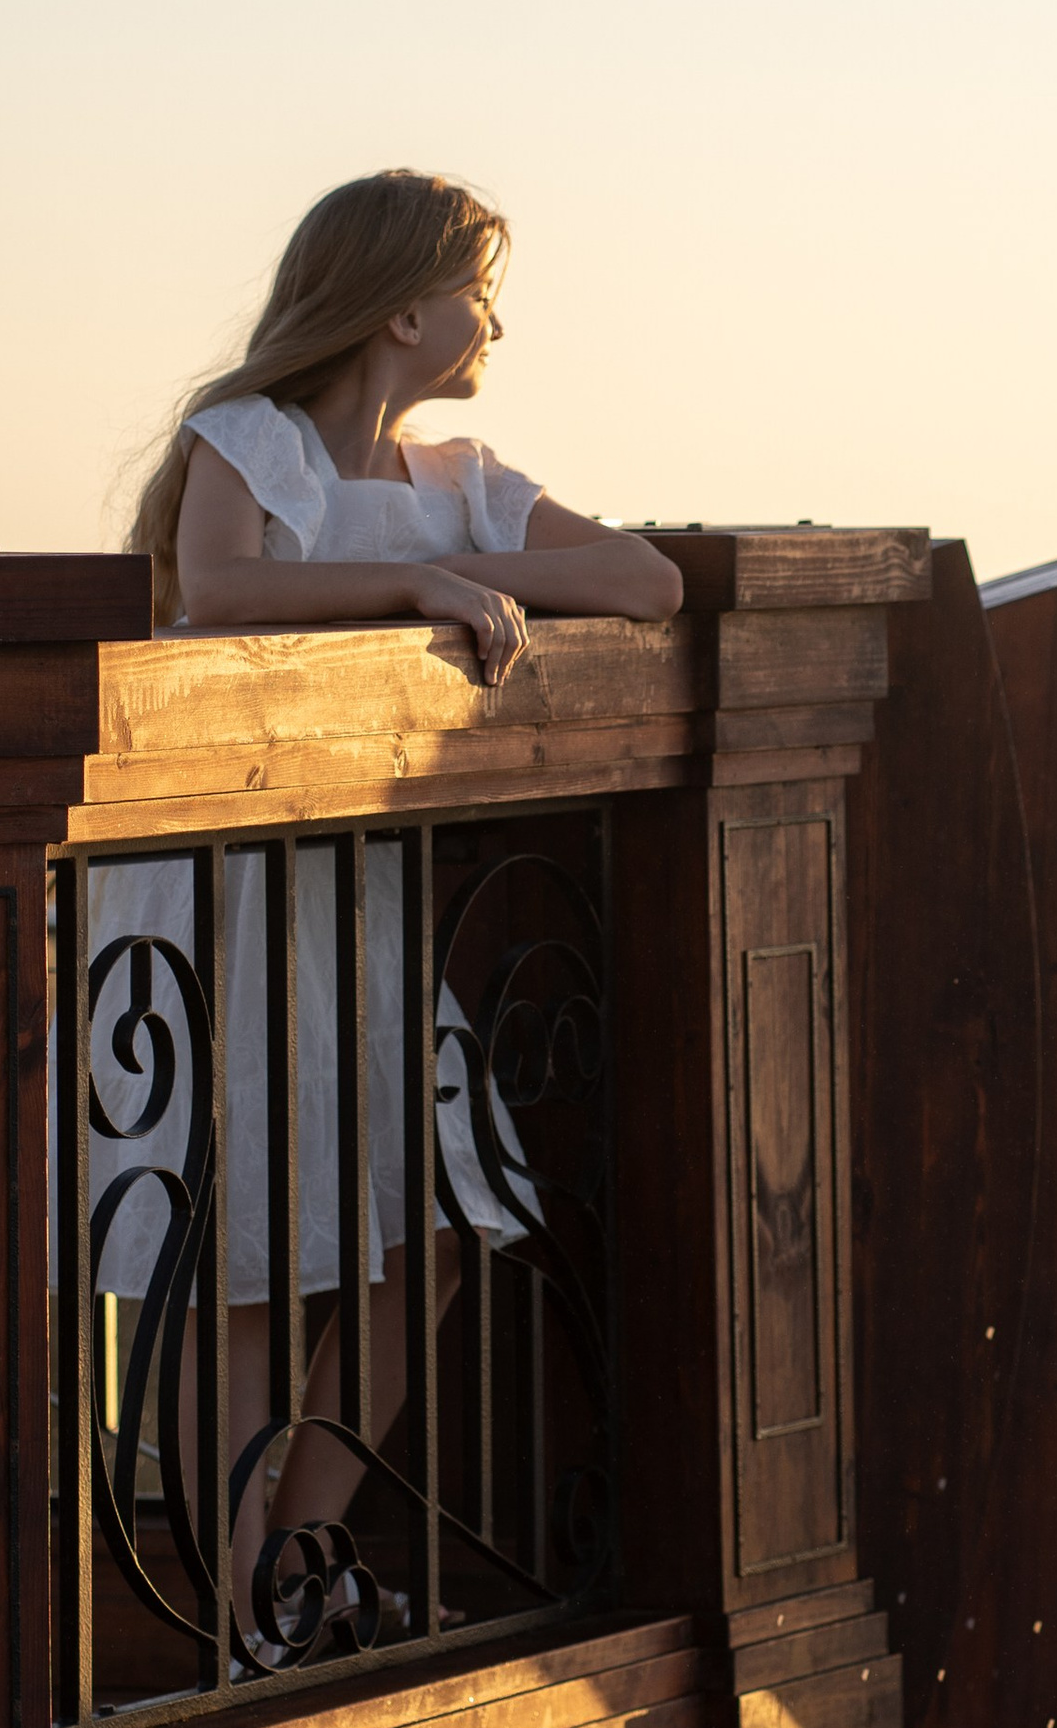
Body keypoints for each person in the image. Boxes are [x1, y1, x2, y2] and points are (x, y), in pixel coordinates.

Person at [99, 168, 680, 1642]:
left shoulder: (463, 477)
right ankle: (251, 1616)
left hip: (356, 895)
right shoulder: (249, 439)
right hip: (225, 887)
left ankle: (295, 1567)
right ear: (402, 311)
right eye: (480, 290)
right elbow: (221, 589)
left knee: (436, 1232)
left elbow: (648, 583)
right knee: (238, 1266)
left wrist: (460, 564)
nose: (498, 320)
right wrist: (418, 586)